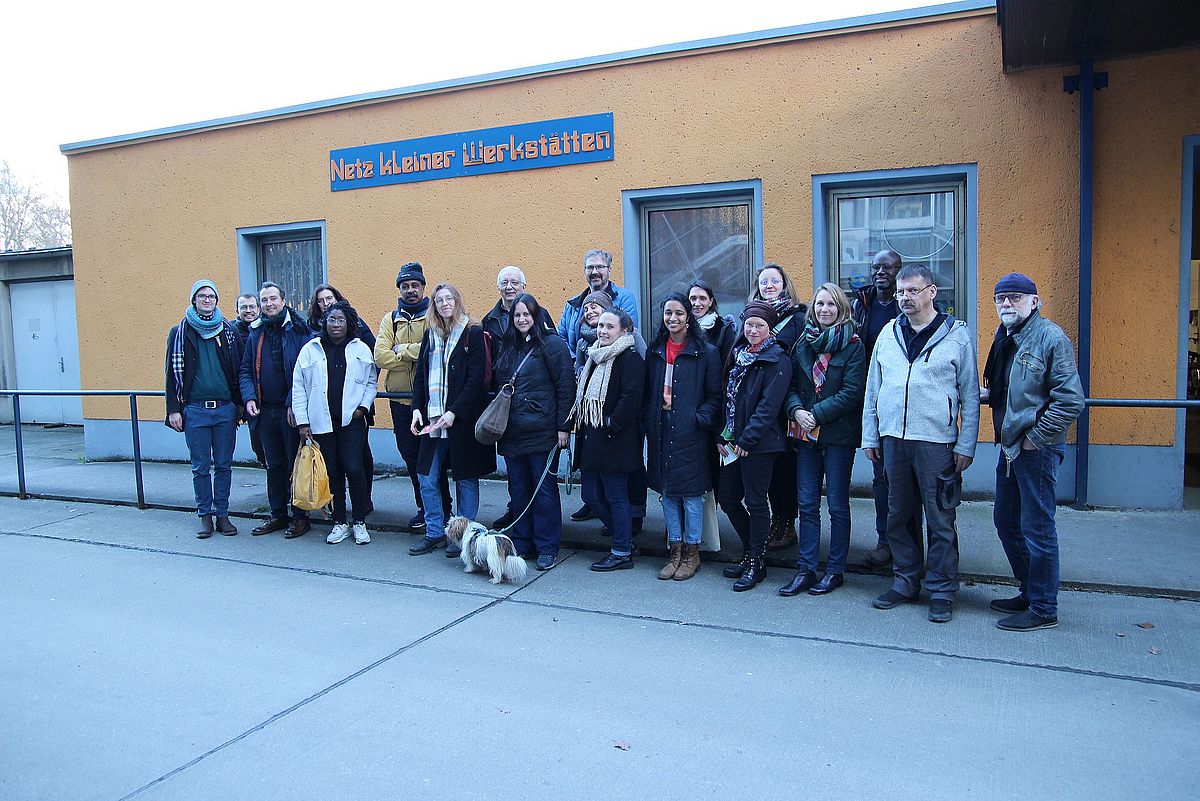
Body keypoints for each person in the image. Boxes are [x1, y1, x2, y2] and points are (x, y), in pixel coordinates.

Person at [862, 264, 980, 623]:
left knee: (940, 519)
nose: (904, 298)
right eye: (900, 292)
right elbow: (873, 388)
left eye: (912, 291)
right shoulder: (887, 332)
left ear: (932, 292)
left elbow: (970, 395)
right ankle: (905, 581)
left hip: (937, 442)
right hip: (893, 439)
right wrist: (871, 434)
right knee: (899, 515)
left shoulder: (956, 335)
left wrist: (966, 444)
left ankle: (942, 590)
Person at [982, 273, 1083, 631]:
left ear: (1034, 301)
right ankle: (1029, 591)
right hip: (1010, 446)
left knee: (1037, 529)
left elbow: (1071, 400)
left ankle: (1043, 607)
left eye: (1014, 298)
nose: (1006, 304)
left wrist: (1035, 438)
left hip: (1035, 449)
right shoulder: (1006, 336)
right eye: (1001, 299)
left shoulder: (1051, 338)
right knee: (1005, 522)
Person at [780, 283, 866, 596]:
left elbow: (853, 393)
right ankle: (806, 569)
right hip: (805, 436)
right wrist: (795, 410)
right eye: (819, 305)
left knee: (838, 506)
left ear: (841, 308)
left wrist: (815, 413)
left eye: (831, 304)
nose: (824, 310)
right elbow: (788, 386)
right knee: (806, 504)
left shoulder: (854, 344)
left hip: (837, 435)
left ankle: (835, 570)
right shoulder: (803, 341)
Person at [408, 283, 496, 556]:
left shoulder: (473, 331)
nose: (445, 304)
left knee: (465, 478)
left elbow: (475, 380)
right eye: (439, 300)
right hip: (433, 419)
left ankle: (464, 536)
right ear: (434, 304)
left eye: (449, 299)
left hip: (462, 420)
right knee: (427, 477)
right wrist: (416, 408)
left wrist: (454, 411)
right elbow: (421, 375)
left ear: (458, 301)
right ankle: (435, 531)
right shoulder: (430, 334)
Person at [851, 249, 922, 568]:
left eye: (888, 267)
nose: (881, 272)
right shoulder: (860, 305)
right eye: (876, 267)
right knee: (881, 477)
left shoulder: (906, 306)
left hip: (904, 402)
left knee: (906, 480)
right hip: (871, 400)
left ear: (899, 271)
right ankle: (885, 540)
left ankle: (908, 544)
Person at [493, 293, 575, 570]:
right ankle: (523, 543)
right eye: (517, 315)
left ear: (536, 315)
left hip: (542, 433)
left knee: (544, 492)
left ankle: (547, 547)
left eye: (526, 314)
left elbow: (566, 386)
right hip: (512, 433)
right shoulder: (508, 346)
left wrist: (564, 427)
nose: (521, 319)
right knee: (519, 490)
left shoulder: (552, 345)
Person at [643, 293, 721, 581]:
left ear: (689, 317)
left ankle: (692, 553)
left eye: (678, 313)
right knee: (668, 494)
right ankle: (674, 551)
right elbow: (647, 394)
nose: (672, 318)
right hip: (661, 428)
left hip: (691, 431)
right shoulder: (656, 350)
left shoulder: (706, 352)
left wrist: (697, 419)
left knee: (690, 495)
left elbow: (715, 397)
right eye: (667, 313)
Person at [559, 248, 640, 524]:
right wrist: (579, 366)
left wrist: (611, 420)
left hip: (609, 396)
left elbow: (624, 334)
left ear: (609, 269)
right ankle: (598, 507)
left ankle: (623, 528)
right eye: (589, 267)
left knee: (616, 482)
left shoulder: (624, 300)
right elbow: (562, 340)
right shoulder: (573, 305)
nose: (594, 272)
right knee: (590, 467)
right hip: (583, 388)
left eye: (599, 267)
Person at [717, 301, 792, 591]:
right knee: (728, 498)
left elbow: (769, 406)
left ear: (769, 328)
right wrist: (723, 436)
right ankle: (751, 553)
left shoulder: (777, 359)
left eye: (760, 325)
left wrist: (747, 439)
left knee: (757, 502)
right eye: (750, 324)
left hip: (760, 444)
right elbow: (729, 400)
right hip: (733, 441)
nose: (754, 330)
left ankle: (756, 562)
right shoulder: (738, 355)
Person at [293, 301, 379, 545]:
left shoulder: (360, 348)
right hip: (321, 422)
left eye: (341, 320)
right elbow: (299, 387)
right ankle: (339, 522)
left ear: (349, 323)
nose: (336, 325)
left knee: (354, 469)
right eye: (332, 320)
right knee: (333, 472)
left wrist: (363, 407)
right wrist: (303, 422)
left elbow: (371, 381)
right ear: (324, 322)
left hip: (352, 421)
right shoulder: (310, 349)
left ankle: (359, 522)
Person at [373, 262, 451, 533]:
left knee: (432, 459)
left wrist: (402, 349)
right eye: (405, 286)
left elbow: (434, 350)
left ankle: (445, 508)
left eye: (414, 285)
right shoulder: (390, 318)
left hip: (430, 401)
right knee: (410, 457)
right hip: (399, 401)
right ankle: (424, 508)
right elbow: (380, 355)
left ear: (422, 288)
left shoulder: (434, 316)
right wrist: (414, 352)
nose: (410, 291)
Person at [164, 280, 244, 538]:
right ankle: (205, 516)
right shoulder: (179, 332)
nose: (207, 300)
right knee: (200, 467)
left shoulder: (228, 331)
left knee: (223, 465)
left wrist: (239, 405)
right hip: (195, 410)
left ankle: (222, 515)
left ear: (217, 301)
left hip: (224, 410)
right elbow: (170, 376)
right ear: (194, 300)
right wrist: (173, 409)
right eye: (202, 296)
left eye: (211, 296)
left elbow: (239, 369)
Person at [481, 265, 555, 530]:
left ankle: (544, 540)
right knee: (519, 483)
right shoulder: (490, 321)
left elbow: (559, 378)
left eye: (514, 282)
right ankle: (521, 530)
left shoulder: (545, 329)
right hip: (510, 419)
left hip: (539, 420)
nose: (509, 286)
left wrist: (561, 426)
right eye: (504, 282)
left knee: (542, 485)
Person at [572, 308, 645, 572]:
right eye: (601, 325)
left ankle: (621, 551)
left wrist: (611, 422)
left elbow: (630, 398)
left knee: (615, 496)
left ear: (625, 331)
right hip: (592, 438)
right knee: (590, 494)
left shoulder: (631, 358)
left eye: (609, 326)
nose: (602, 331)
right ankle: (623, 537)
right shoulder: (594, 355)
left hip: (617, 440)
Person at [240, 282, 315, 538]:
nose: (269, 304)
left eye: (273, 299)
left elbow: (305, 373)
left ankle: (300, 517)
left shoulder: (299, 330)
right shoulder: (256, 333)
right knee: (274, 465)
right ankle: (278, 515)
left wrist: (294, 404)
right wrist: (249, 396)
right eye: (265, 300)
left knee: (297, 465)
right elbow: (246, 370)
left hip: (291, 411)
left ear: (283, 301)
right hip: (264, 412)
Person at [748, 263, 806, 550]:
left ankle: (786, 521)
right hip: (758, 403)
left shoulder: (797, 318)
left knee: (786, 468)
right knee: (767, 470)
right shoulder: (754, 318)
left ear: (785, 285)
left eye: (774, 281)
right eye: (764, 282)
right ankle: (774, 521)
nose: (769, 286)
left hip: (787, 402)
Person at [307, 284, 377, 348]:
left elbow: (372, 346)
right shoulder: (313, 326)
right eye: (320, 300)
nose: (325, 303)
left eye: (329, 298)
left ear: (337, 299)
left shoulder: (355, 322)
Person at [688, 280, 738, 363]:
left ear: (710, 301)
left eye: (702, 298)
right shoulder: (682, 327)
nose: (697, 303)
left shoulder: (723, 329)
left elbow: (727, 364)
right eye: (693, 298)